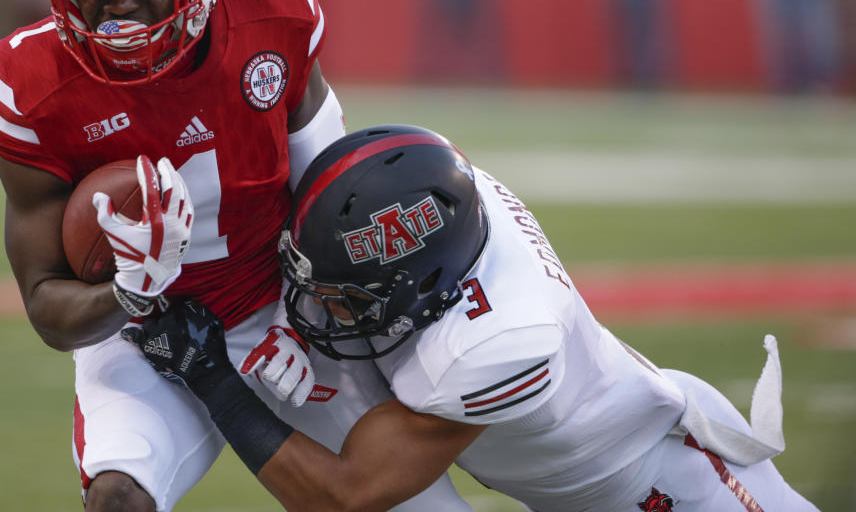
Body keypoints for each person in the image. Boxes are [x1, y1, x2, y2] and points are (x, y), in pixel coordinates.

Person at [0, 0, 471, 512]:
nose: (121, 17)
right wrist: (128, 292)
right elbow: (47, 308)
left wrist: (305, 318)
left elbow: (331, 198)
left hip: (285, 303)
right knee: (118, 500)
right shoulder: (26, 83)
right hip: (145, 330)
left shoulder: (269, 1)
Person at [125, 124, 821, 511]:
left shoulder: (496, 347)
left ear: (419, 287)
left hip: (671, 495)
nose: (323, 308)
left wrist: (211, 376)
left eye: (346, 295)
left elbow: (346, 495)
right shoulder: (450, 206)